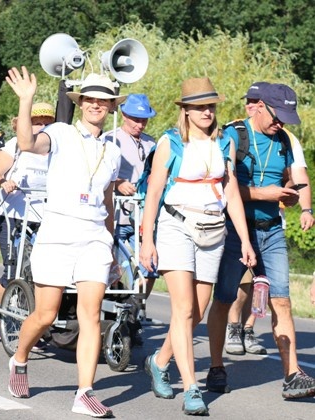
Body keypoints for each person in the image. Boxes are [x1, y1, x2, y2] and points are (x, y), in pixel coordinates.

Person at [5, 67, 123, 418]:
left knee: (91, 315)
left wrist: (112, 245)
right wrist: (26, 101)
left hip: (94, 238)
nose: (95, 105)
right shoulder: (59, 132)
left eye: (103, 100)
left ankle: (84, 392)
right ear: (81, 102)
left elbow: (107, 201)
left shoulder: (113, 152)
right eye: (90, 99)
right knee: (46, 313)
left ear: (111, 107)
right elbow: (27, 143)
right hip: (57, 232)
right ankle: (20, 358)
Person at [138, 77, 255, 416]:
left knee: (198, 310)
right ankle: (191, 387)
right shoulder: (170, 142)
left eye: (211, 105)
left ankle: (159, 361)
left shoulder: (224, 143)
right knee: (184, 307)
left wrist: (245, 239)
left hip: (213, 229)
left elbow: (231, 192)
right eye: (200, 106)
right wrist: (148, 239)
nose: (207, 111)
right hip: (176, 226)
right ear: (186, 111)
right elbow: (155, 193)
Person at [206, 82, 315, 399]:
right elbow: (219, 186)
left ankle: (292, 374)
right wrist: (261, 193)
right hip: (235, 231)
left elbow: (290, 178)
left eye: (286, 117)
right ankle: (216, 366)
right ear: (259, 107)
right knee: (225, 299)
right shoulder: (233, 135)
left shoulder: (284, 141)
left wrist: (293, 198)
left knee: (281, 299)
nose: (280, 122)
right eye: (277, 115)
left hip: (272, 231)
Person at [0, 102, 54, 339]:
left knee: (40, 272)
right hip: (14, 215)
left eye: (47, 123)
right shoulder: (15, 145)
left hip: (45, 218)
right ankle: (2, 312)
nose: (42, 126)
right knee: (13, 267)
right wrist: (3, 182)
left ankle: (34, 322)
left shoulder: (56, 150)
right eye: (37, 122)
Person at [102, 93, 158, 336]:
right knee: (114, 269)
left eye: (144, 120)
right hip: (115, 217)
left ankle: (135, 307)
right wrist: (118, 183)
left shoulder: (152, 143)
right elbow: (98, 177)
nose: (140, 124)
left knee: (151, 267)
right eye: (135, 119)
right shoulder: (109, 140)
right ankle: (112, 315)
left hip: (142, 218)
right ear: (124, 115)